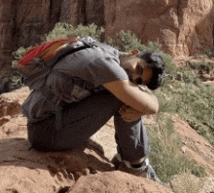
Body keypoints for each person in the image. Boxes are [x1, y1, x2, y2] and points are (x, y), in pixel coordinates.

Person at [21, 36, 165, 181]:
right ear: (134, 53)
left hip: (48, 123)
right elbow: (151, 106)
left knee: (130, 95)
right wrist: (144, 103)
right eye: (138, 68)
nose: (133, 76)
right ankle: (136, 166)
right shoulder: (104, 64)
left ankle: (127, 159)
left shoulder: (106, 51)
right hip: (45, 133)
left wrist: (139, 98)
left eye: (139, 80)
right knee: (123, 97)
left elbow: (137, 94)